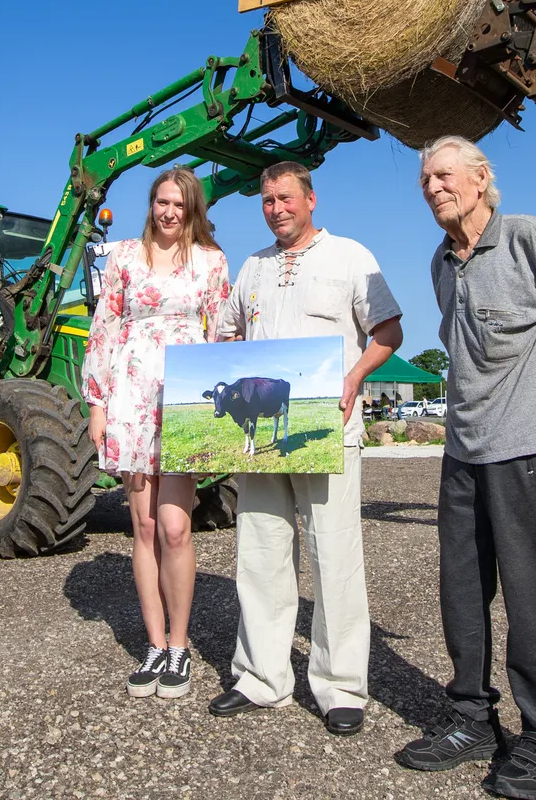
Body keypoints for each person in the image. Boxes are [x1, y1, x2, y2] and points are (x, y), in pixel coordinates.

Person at [397, 136, 536, 799]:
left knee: (533, 593)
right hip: (462, 449)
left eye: (445, 174)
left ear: (482, 177)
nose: (434, 186)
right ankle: (471, 720)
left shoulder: (527, 238)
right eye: (425, 178)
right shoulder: (441, 262)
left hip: (526, 447)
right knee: (461, 591)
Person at [208, 160, 403, 737]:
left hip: (327, 429)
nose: (276, 208)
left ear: (311, 199)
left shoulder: (350, 256)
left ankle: (340, 686)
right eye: (267, 200)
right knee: (261, 553)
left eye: (286, 197)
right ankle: (260, 677)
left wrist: (354, 377)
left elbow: (388, 330)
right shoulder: (252, 268)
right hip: (261, 444)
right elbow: (226, 335)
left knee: (335, 555)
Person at [81, 168, 232, 700]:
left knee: (174, 527)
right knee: (142, 529)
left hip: (187, 395)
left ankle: (181, 645)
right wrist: (97, 403)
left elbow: (223, 331)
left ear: (193, 209)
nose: (169, 212)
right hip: (132, 394)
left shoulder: (212, 263)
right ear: (152, 205)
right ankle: (154, 645)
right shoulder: (124, 256)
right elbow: (105, 327)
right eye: (162, 202)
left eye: (179, 204)